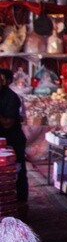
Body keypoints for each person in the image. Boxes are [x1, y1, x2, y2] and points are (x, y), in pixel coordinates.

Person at [0, 68, 26, 202]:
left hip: (12, 140)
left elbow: (7, 123)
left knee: (16, 172)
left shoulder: (10, 97)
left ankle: (21, 204)